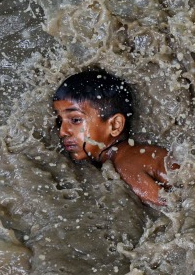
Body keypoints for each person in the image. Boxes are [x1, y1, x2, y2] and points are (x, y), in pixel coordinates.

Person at [52, 69, 174, 206]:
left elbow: (172, 209)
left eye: (75, 120)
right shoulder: (129, 157)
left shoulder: (125, 166)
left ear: (115, 125)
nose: (62, 132)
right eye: (59, 121)